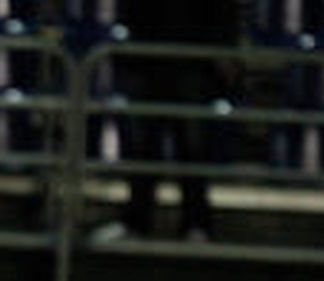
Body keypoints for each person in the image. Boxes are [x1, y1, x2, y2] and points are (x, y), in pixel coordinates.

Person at [93, 0, 242, 242]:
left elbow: (225, 10)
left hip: (192, 61)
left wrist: (224, 46)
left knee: (191, 148)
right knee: (144, 147)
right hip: (148, 58)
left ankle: (196, 223)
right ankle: (137, 221)